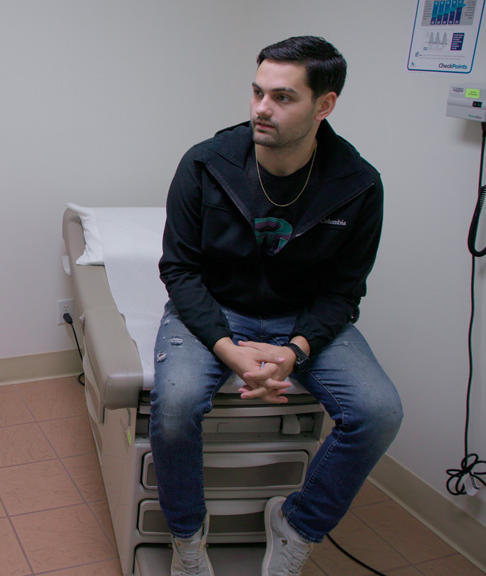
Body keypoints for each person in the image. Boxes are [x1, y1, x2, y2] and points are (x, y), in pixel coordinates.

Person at [151, 36, 403, 576]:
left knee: (379, 412)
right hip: (214, 309)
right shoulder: (206, 163)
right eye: (257, 92)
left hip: (302, 315)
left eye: (283, 97)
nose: (262, 108)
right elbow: (179, 270)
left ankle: (297, 523)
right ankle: (188, 539)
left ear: (324, 104)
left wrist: (295, 349)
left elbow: (343, 292)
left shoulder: (358, 186)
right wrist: (228, 348)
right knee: (173, 410)